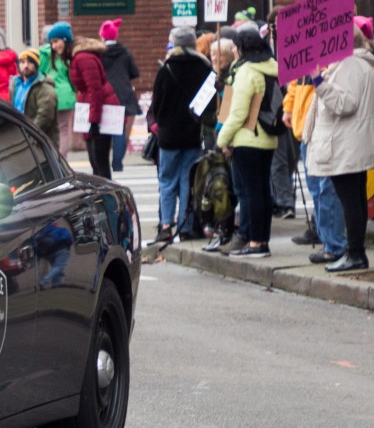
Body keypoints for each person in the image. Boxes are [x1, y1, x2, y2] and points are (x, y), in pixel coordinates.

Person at [303, 17, 374, 273]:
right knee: (353, 199)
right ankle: (354, 252)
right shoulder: (357, 64)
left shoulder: (350, 65)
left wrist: (319, 83)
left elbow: (345, 103)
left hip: (346, 145)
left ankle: (355, 254)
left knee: (351, 201)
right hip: (350, 143)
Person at [216, 25, 280, 258]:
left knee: (252, 193)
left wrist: (222, 138)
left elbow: (238, 113)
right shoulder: (273, 67)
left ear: (242, 49)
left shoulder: (246, 72)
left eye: (235, 47)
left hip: (247, 139)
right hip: (268, 137)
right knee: (262, 191)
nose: (233, 51)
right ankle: (262, 240)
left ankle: (256, 243)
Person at [148, 26, 214, 244]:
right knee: (189, 181)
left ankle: (166, 225)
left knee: (166, 181)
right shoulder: (204, 68)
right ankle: (186, 226)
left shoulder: (166, 70)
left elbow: (156, 106)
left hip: (168, 136)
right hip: (193, 134)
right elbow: (210, 103)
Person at [284, 67, 346, 264]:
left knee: (326, 190)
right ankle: (327, 240)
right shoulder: (306, 60)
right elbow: (295, 84)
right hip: (305, 132)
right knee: (317, 191)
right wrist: (288, 107)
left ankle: (334, 244)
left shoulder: (330, 62)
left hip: (321, 132)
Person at [70, 35, 118, 179]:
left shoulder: (83, 58)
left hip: (97, 110)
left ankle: (106, 199)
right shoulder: (79, 57)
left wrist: (94, 121)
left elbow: (94, 90)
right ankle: (102, 198)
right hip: (92, 108)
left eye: (56, 41)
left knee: (99, 163)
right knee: (97, 162)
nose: (53, 47)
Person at [99, 19, 142, 172]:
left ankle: (103, 162)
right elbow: (134, 72)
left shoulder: (99, 54)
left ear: (103, 36)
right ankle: (117, 164)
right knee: (120, 130)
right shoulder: (124, 52)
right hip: (123, 94)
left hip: (105, 94)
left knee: (103, 130)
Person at [39, 22, 77, 157]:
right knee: (63, 130)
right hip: (65, 96)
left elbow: (40, 73)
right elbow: (72, 79)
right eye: (52, 42)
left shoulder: (42, 54)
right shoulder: (68, 55)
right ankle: (62, 161)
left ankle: (53, 160)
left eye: (56, 41)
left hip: (47, 95)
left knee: (49, 129)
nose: (54, 46)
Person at [12, 48, 58, 151]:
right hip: (19, 136)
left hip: (38, 140)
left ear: (37, 65)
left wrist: (30, 133)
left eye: (30, 62)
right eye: (22, 62)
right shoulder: (16, 85)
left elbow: (45, 115)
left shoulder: (44, 87)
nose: (26, 66)